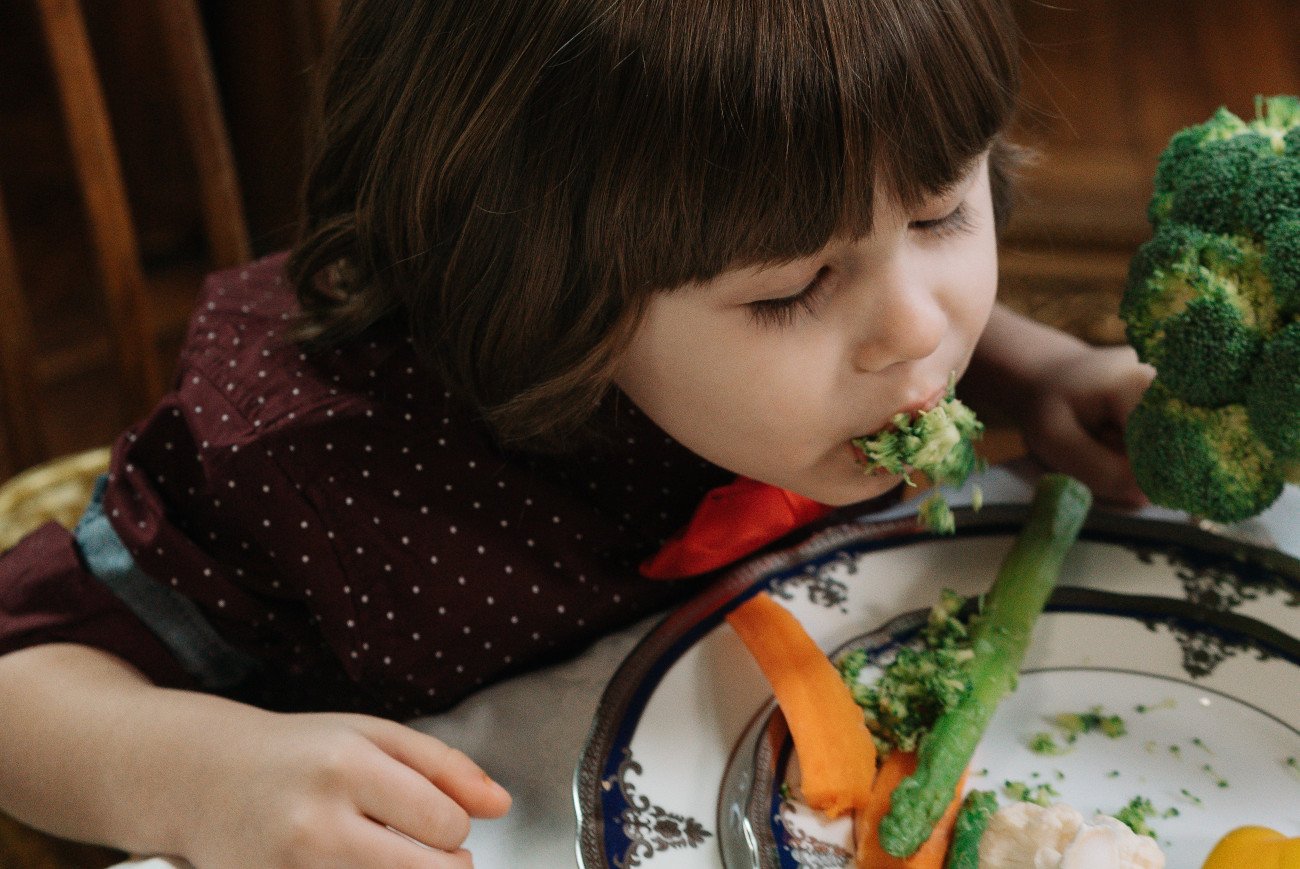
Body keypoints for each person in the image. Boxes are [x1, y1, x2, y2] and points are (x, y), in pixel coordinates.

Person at [0, 0, 1154, 866]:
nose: (915, 332)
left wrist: (1032, 369)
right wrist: (200, 778)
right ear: (554, 300)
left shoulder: (839, 329)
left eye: (941, 211)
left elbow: (869, 259)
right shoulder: (326, 463)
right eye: (790, 288)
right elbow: (19, 670)